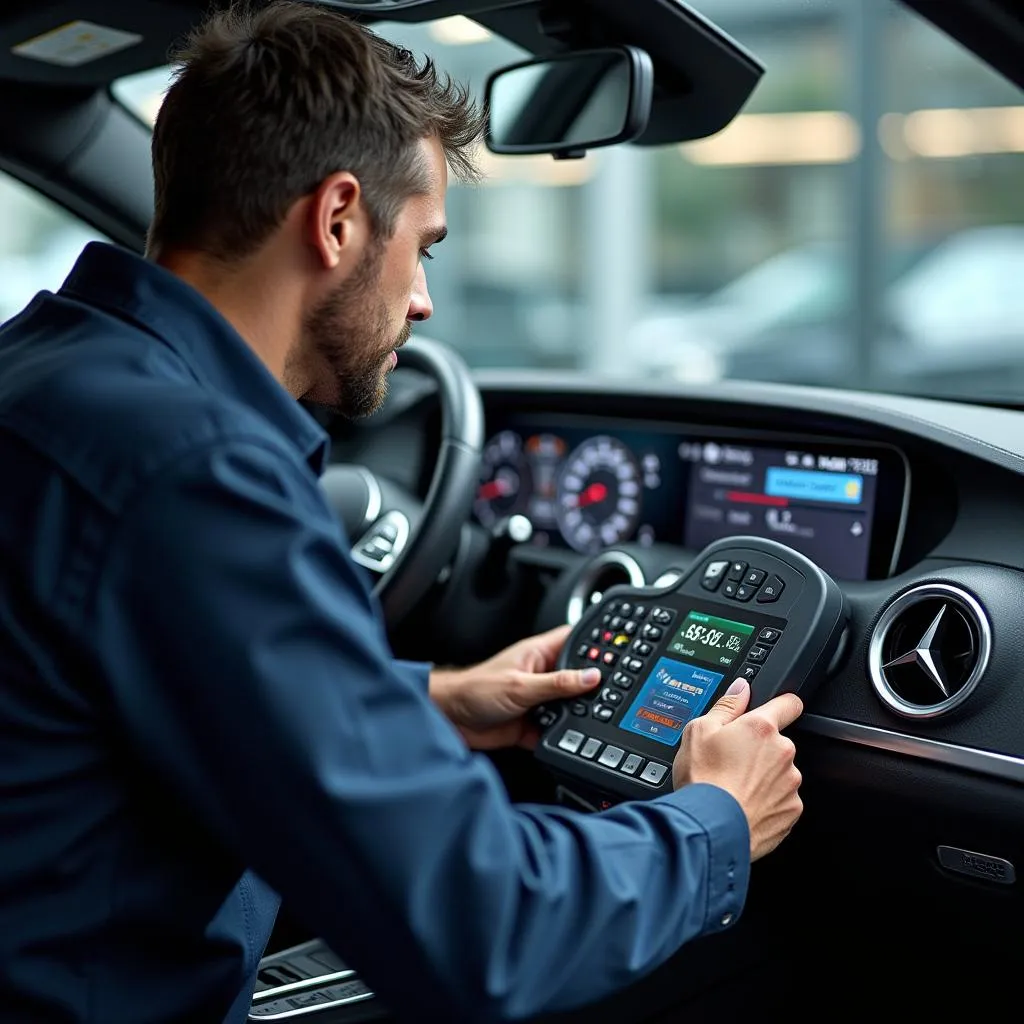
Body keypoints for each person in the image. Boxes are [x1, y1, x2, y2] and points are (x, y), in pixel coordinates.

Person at [0, 3, 804, 1022]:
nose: (422, 300)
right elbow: (481, 921)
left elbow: (119, 682)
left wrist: (431, 699)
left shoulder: (43, 374)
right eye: (422, 246)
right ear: (337, 220)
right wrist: (716, 822)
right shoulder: (193, 471)